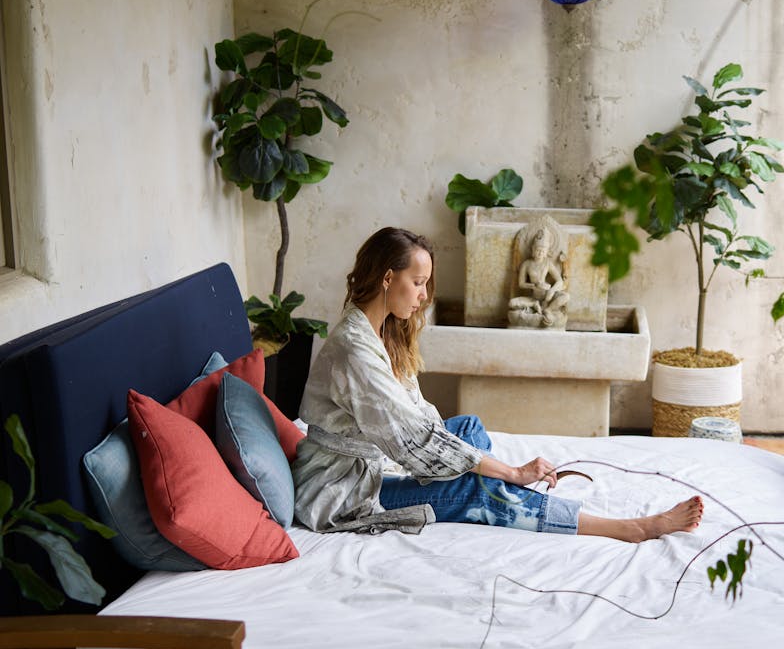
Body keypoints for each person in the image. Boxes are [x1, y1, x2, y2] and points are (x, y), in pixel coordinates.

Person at [292, 226, 703, 541]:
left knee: (467, 428)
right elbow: (414, 438)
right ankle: (628, 528)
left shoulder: (379, 331)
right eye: (417, 283)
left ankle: (492, 487)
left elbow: (419, 417)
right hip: (345, 491)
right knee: (479, 488)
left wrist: (486, 467)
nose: (422, 297)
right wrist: (509, 472)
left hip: (380, 460)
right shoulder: (354, 349)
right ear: (386, 278)